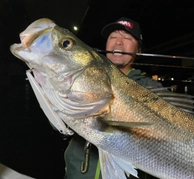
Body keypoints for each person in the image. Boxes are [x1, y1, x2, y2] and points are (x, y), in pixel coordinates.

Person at [64, 17, 162, 179]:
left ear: (138, 50)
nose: (118, 42)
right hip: (77, 173)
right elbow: (62, 125)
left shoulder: (152, 90)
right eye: (113, 37)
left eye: (127, 38)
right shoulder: (84, 78)